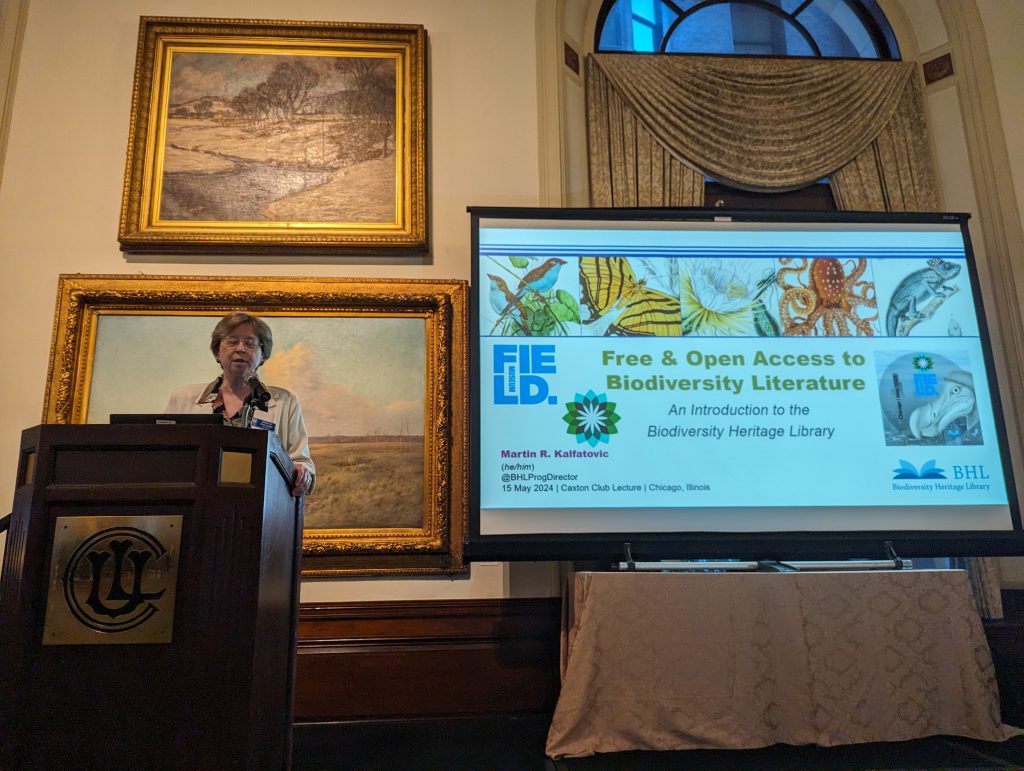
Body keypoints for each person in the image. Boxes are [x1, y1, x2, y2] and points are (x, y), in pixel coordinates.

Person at [165, 312, 315, 496]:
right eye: (232, 341)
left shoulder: (285, 402)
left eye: (250, 343)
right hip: (197, 500)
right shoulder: (184, 397)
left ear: (263, 356)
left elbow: (301, 460)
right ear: (217, 352)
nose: (240, 349)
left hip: (260, 502)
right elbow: (166, 454)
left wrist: (303, 472)